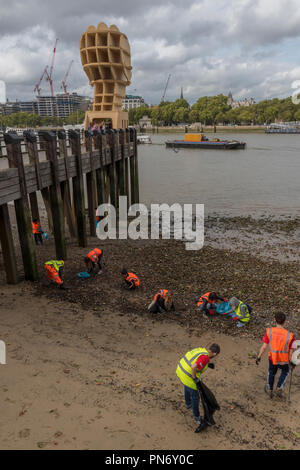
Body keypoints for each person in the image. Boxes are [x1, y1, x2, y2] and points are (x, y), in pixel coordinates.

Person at [176, 344, 221, 428]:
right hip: (188, 376)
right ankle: (197, 417)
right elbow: (193, 366)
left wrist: (207, 364)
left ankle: (188, 404)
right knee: (195, 397)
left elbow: (195, 360)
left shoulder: (201, 350)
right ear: (215, 354)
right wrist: (195, 379)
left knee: (187, 387)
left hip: (180, 370)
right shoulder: (205, 358)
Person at [256, 312, 296, 398]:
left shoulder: (269, 331)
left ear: (274, 320)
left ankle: (270, 389)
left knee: (271, 373)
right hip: (284, 360)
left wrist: (259, 357)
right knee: (286, 371)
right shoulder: (290, 336)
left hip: (273, 358)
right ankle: (279, 387)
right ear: (285, 321)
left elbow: (264, 347)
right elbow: (291, 351)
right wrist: (291, 361)